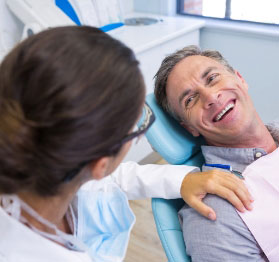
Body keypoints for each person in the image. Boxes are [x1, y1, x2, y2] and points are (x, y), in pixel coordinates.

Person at [0, 27, 250, 262]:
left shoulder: (50, 174)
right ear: (100, 165)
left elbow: (119, 179)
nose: (210, 97)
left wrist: (182, 179)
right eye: (139, 124)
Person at [154, 45, 277, 261]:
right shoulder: (214, 217)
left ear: (240, 79)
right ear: (189, 127)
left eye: (212, 78)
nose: (210, 96)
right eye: (190, 100)